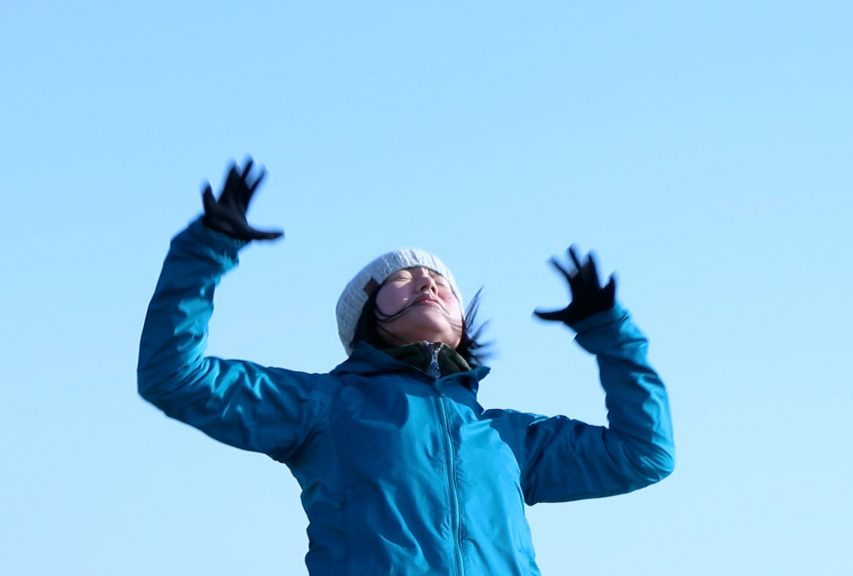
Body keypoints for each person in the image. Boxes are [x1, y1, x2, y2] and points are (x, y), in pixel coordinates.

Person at [138, 158, 675, 575]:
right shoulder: (324, 407)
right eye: (401, 278)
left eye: (442, 283)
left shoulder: (510, 438)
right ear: (365, 317)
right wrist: (206, 251)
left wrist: (610, 332)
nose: (428, 283)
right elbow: (174, 376)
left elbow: (645, 454)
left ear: (463, 322)